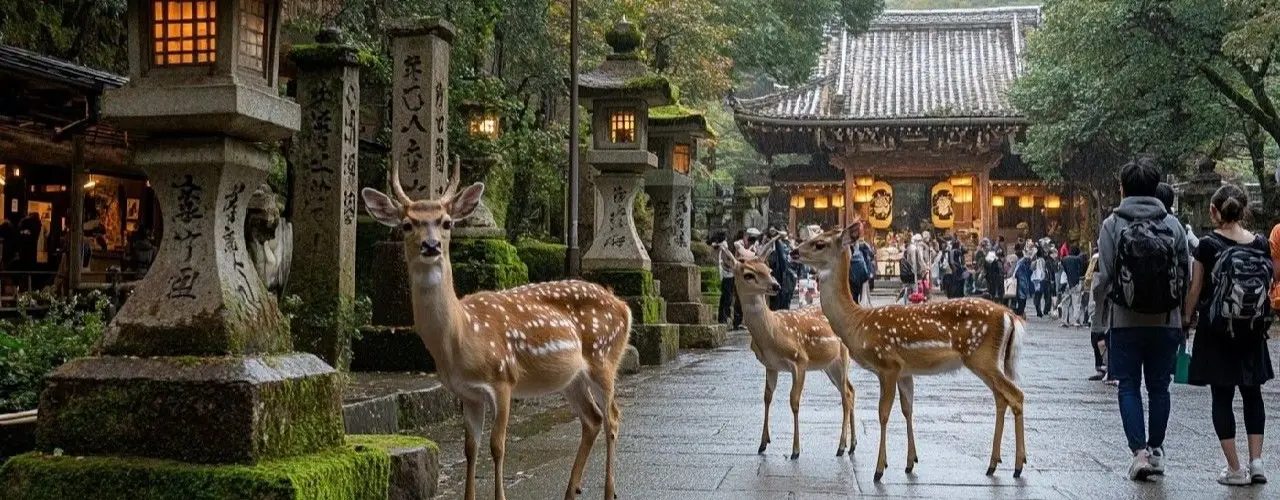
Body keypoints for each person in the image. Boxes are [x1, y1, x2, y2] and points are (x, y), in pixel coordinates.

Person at [1093, 158, 1191, 481]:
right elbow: (1185, 274)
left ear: (1123, 188)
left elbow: (1104, 278)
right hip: (1166, 320)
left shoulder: (1112, 224)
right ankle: (1156, 448)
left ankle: (1139, 453)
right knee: (1160, 387)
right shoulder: (1173, 225)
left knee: (1129, 385)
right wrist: (1183, 315)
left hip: (1125, 320)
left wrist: (1099, 320)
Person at [1182, 185, 1274, 486]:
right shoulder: (1260, 243)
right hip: (1252, 331)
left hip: (1217, 332)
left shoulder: (1207, 245)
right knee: (1252, 394)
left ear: (1213, 211)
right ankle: (1256, 463)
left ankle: (1235, 469)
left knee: (1222, 396)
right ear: (1243, 210)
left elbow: (1195, 289)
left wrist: (1186, 318)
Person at [1086, 247, 1111, 382]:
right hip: (1099, 313)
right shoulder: (1099, 277)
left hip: (1101, 313)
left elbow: (1096, 296)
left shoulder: (1102, 278)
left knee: (1100, 339)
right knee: (1097, 339)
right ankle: (1102, 366)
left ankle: (1106, 367)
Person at [766, 229, 796, 310]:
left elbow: (783, 262)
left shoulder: (783, 246)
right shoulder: (770, 248)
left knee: (783, 306)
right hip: (777, 280)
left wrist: (777, 235)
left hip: (784, 281)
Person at [1059, 246, 1086, 327]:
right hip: (1076, 283)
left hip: (1066, 282)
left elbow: (1063, 269)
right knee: (1076, 302)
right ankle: (1075, 320)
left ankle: (1064, 320)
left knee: (1065, 302)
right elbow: (1081, 271)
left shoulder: (1064, 259)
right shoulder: (1079, 259)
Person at [714, 233, 736, 326]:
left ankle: (723, 317)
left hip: (728, 275)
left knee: (726, 296)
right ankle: (724, 316)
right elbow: (726, 261)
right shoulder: (723, 248)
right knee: (727, 297)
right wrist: (731, 267)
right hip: (727, 275)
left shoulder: (722, 248)